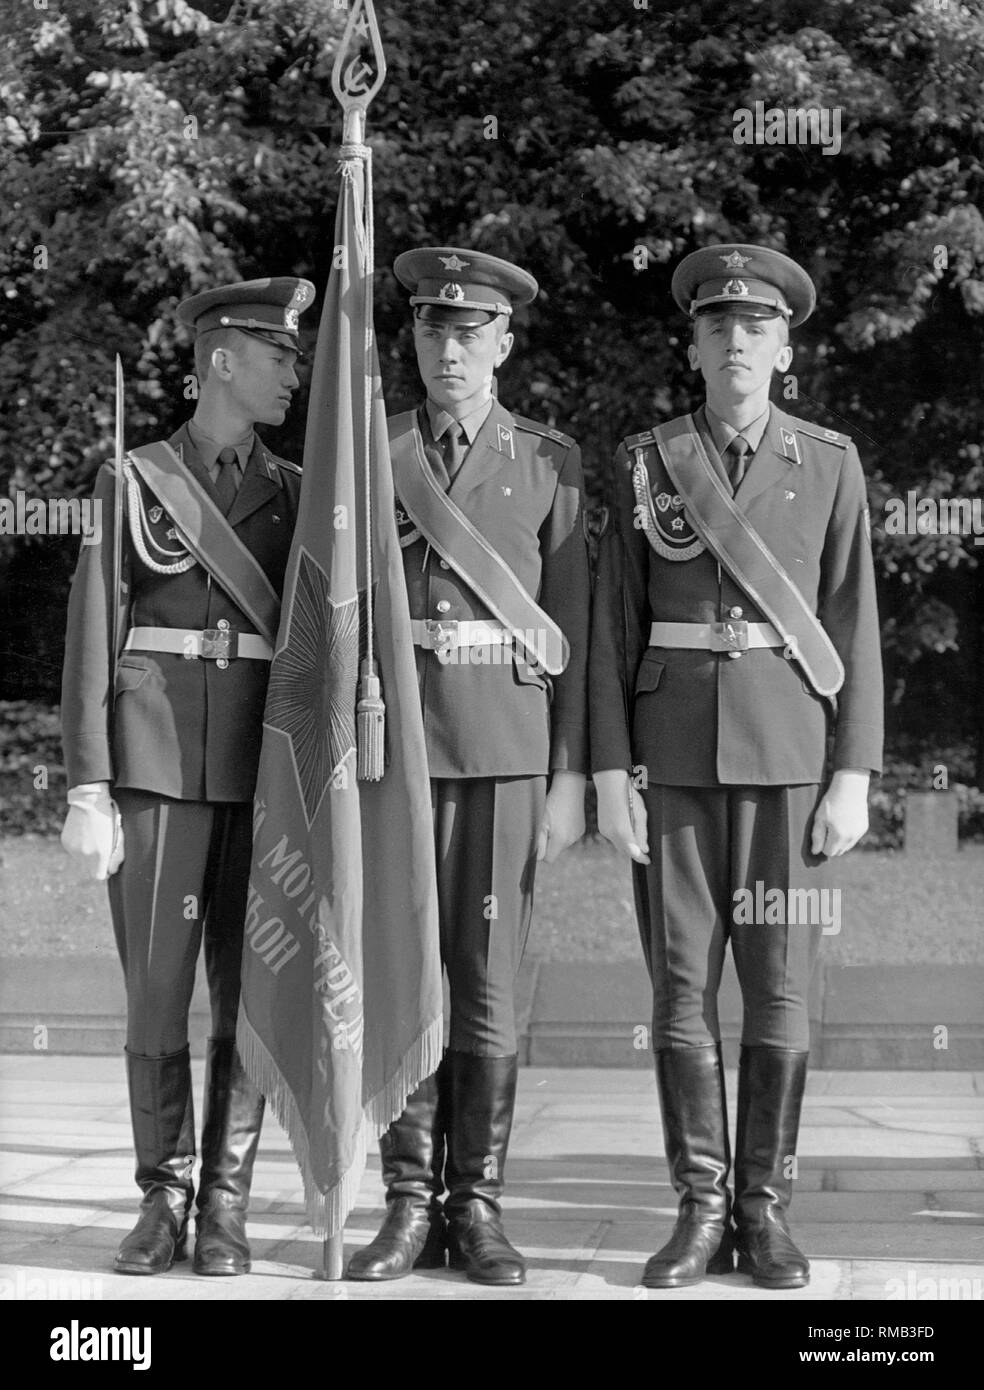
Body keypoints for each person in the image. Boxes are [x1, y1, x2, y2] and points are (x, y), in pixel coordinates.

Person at [590, 244, 883, 1290]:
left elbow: (854, 621)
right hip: (669, 762)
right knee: (680, 988)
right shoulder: (645, 459)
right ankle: (700, 1206)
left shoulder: (831, 462)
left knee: (780, 991)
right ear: (695, 345)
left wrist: (855, 772)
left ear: (785, 345)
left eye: (756, 326)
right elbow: (614, 622)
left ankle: (766, 1211)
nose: (736, 342)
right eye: (718, 326)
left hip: (790, 759)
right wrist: (605, 771)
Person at [60, 276, 315, 1277]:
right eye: (278, 355)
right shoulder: (134, 481)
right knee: (157, 996)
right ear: (222, 359)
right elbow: (93, 634)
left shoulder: (295, 492)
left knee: (248, 996)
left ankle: (226, 1204)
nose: (294, 372)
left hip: (260, 769)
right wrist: (88, 784)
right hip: (158, 765)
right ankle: (162, 1198)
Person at [346, 247, 590, 1286]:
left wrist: (574, 775)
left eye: (470, 331)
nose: (451, 348)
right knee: (403, 975)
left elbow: (576, 626)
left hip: (503, 754)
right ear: (411, 338)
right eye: (433, 329)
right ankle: (406, 1203)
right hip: (393, 756)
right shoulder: (369, 449)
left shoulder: (552, 463)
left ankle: (476, 1204)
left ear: (504, 341)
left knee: (488, 985)